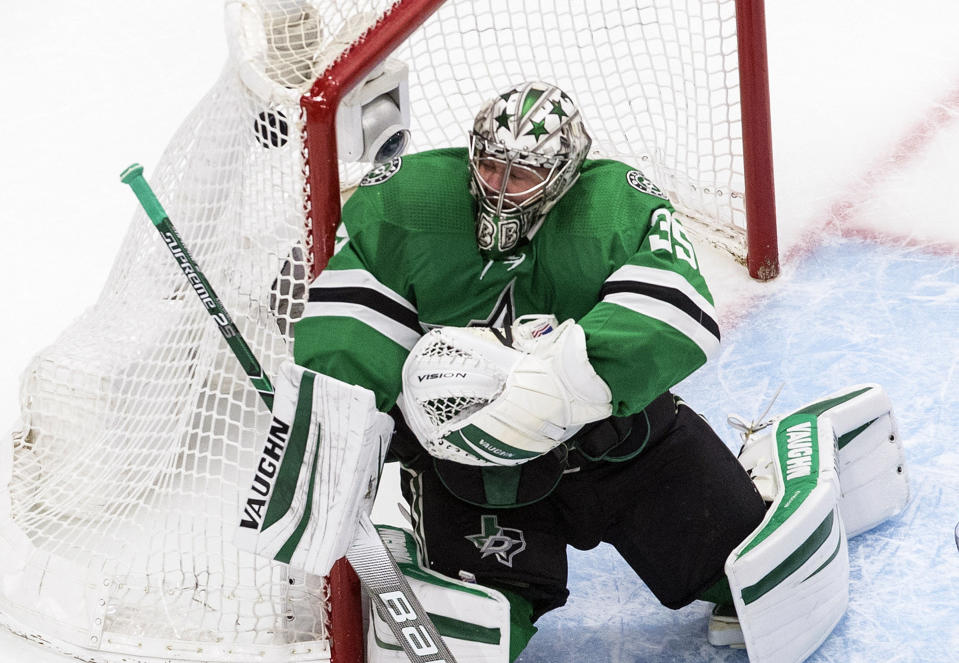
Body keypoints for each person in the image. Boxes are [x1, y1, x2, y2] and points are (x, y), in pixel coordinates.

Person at [292, 80, 768, 660]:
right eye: (491, 167)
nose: (498, 189)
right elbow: (354, 325)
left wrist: (554, 387)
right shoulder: (407, 203)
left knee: (743, 572)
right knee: (475, 620)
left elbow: (674, 310)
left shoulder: (615, 205)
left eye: (521, 176)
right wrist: (338, 420)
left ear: (564, 173)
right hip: (470, 471)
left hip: (615, 446)